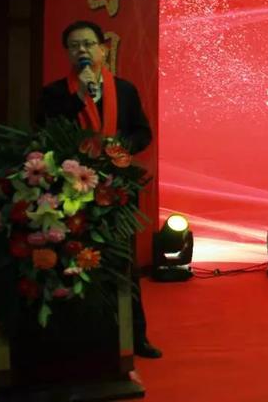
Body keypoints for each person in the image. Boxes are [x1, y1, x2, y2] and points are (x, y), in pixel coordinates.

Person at [37, 20, 162, 359]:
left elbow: (142, 132)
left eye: (89, 44)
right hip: (71, 191)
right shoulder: (54, 94)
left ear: (103, 50)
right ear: (67, 53)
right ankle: (79, 339)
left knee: (123, 263)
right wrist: (79, 98)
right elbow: (46, 133)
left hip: (117, 188)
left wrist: (120, 148)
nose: (82, 50)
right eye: (74, 45)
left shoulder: (125, 90)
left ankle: (135, 337)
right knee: (74, 261)